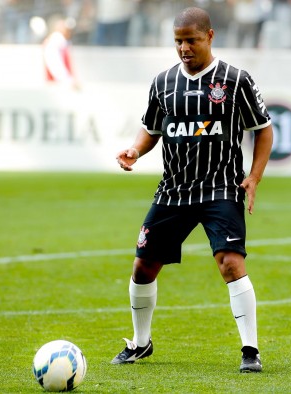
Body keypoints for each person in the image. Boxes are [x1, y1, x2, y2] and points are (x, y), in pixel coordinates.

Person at [111, 6, 274, 373]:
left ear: (210, 36)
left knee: (230, 263)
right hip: (174, 190)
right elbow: (151, 128)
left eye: (191, 40)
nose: (184, 48)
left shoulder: (234, 80)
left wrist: (255, 176)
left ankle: (251, 350)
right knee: (143, 267)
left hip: (220, 188)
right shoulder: (163, 82)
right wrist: (135, 149)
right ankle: (140, 343)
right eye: (178, 41)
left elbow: (263, 128)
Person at [43, 16, 80, 90]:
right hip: (58, 86)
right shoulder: (56, 40)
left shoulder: (63, 42)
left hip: (60, 84)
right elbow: (54, 63)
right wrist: (67, 80)